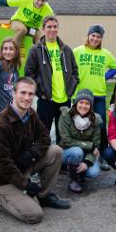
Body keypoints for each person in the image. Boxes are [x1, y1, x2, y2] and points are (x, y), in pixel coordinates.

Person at [0, 77, 71, 224]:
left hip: (23, 165)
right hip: (4, 178)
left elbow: (45, 137)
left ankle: (43, 196)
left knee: (56, 151)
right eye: (23, 93)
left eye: (30, 94)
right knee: (35, 215)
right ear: (14, 93)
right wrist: (26, 185)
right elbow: (3, 166)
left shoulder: (30, 114)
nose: (27, 98)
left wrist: (32, 153)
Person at [25, 16, 79, 144]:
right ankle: (43, 162)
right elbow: (29, 73)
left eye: (55, 26)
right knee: (42, 134)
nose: (52, 29)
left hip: (64, 100)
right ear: (43, 29)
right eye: (49, 27)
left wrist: (70, 90)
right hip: (46, 100)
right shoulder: (36, 50)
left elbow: (75, 72)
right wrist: (41, 92)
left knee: (63, 135)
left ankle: (62, 162)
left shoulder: (66, 50)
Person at [73, 24, 116, 170]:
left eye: (98, 37)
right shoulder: (77, 51)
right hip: (81, 94)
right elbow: (68, 66)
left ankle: (103, 157)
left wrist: (106, 76)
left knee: (99, 126)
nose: (95, 38)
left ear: (101, 39)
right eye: (93, 35)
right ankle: (80, 155)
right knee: (79, 125)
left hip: (98, 94)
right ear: (88, 36)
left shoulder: (105, 53)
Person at [58, 89, 102, 193]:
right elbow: (67, 141)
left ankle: (80, 171)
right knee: (77, 151)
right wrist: (89, 146)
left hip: (86, 154)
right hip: (66, 151)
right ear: (76, 103)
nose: (83, 106)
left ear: (91, 106)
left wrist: (87, 162)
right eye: (81, 102)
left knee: (94, 172)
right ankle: (74, 180)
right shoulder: (65, 116)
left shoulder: (95, 120)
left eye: (87, 103)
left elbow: (96, 145)